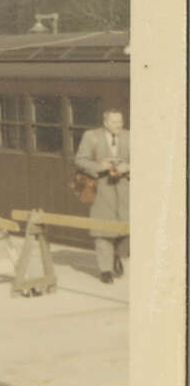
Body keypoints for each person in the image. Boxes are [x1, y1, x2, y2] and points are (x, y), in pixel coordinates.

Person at [75, 109, 130, 284]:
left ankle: (117, 256)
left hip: (125, 188)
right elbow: (80, 160)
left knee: (126, 227)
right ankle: (105, 269)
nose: (119, 126)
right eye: (114, 122)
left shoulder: (130, 136)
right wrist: (100, 166)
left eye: (120, 122)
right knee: (102, 229)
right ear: (105, 123)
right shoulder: (91, 136)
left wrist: (128, 168)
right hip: (101, 188)